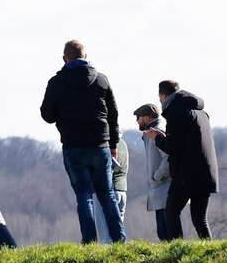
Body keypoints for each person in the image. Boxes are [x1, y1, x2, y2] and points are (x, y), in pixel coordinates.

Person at [40, 39, 125, 244]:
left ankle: (89, 240)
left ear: (64, 59)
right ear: (85, 56)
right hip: (100, 145)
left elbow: (47, 115)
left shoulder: (57, 82)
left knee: (84, 195)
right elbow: (113, 115)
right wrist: (113, 145)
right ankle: (119, 239)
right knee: (107, 195)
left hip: (73, 146)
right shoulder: (101, 80)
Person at [146, 81, 218, 239]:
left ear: (163, 95)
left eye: (160, 98)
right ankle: (206, 252)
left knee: (171, 212)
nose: (160, 101)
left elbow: (173, 147)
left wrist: (157, 139)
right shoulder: (200, 112)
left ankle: (177, 251)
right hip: (206, 172)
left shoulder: (176, 111)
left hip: (186, 174)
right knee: (200, 219)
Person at [134, 103, 171, 241]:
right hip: (160, 189)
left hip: (164, 187)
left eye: (138, 117)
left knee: (166, 233)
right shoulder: (152, 132)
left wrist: (157, 176)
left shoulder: (157, 132)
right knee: (163, 232)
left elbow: (168, 156)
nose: (137, 120)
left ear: (147, 118)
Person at [92, 138, 129, 244]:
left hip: (107, 193)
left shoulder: (105, 145)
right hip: (122, 190)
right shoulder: (123, 144)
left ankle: (108, 259)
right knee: (118, 235)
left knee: (105, 238)